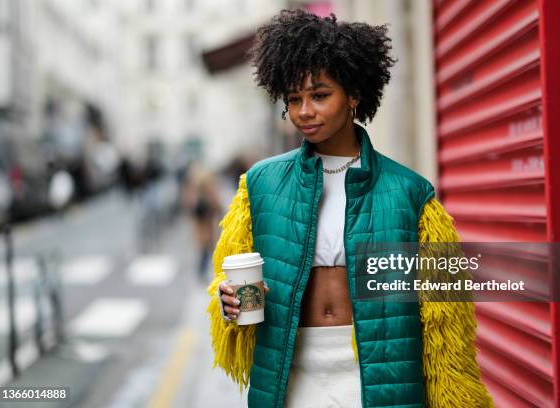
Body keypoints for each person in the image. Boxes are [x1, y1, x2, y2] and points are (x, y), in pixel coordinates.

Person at [207, 9, 493, 408]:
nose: (304, 111)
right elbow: (232, 283)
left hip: (380, 377)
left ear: (354, 95)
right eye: (293, 99)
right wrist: (229, 303)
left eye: (320, 95)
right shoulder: (260, 184)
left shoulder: (411, 193)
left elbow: (447, 326)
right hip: (291, 374)